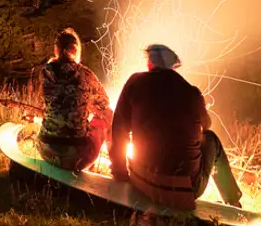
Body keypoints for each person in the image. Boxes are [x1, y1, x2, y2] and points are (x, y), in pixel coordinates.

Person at [110, 44, 243, 208]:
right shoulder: (191, 92)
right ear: (173, 66)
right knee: (211, 139)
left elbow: (118, 129)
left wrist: (119, 172)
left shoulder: (135, 82)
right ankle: (233, 201)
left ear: (151, 63)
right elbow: (206, 125)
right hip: (184, 191)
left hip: (140, 180)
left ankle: (232, 199)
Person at [38, 28, 112, 170]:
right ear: (75, 50)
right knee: (108, 113)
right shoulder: (85, 74)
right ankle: (118, 167)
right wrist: (87, 104)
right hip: (78, 158)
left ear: (56, 50)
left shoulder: (45, 72)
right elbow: (105, 102)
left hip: (46, 151)